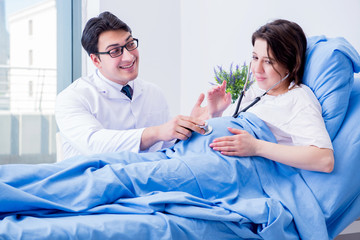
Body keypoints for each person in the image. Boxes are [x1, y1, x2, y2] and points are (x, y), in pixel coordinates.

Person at [55, 11, 205, 160]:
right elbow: (94, 145)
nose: (129, 56)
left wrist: (194, 126)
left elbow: (169, 148)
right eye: (115, 51)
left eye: (130, 44)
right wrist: (156, 132)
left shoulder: (153, 93)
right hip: (92, 180)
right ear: (96, 60)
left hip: (145, 179)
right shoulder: (72, 98)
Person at [202, 19, 334, 173]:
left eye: (268, 62)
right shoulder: (256, 90)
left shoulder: (299, 99)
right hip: (211, 159)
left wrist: (257, 147)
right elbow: (227, 139)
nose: (257, 69)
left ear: (290, 66)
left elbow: (325, 160)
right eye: (255, 58)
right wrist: (215, 113)